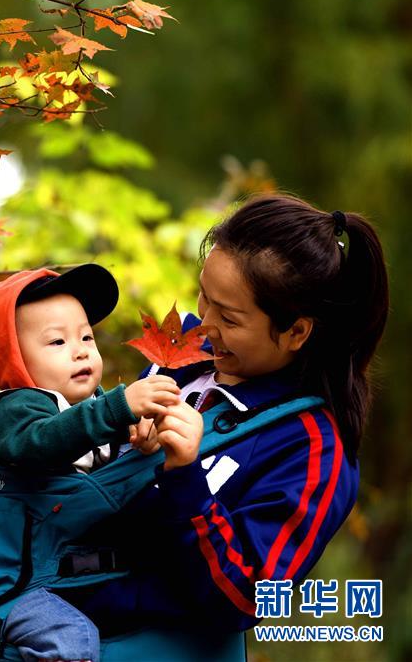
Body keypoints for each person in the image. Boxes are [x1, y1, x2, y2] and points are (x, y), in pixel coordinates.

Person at [60, 194, 389, 654]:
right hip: (56, 621)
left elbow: (245, 597)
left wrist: (186, 478)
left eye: (229, 318)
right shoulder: (176, 366)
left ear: (296, 332)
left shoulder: (313, 451)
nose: (204, 325)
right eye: (203, 295)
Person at [0, 263, 181, 662]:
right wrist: (119, 409)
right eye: (57, 342)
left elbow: (102, 438)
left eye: (86, 336)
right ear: (13, 359)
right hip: (20, 589)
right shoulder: (16, 409)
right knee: (71, 641)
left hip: (71, 578)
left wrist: (141, 439)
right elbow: (42, 443)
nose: (80, 350)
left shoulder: (93, 406)